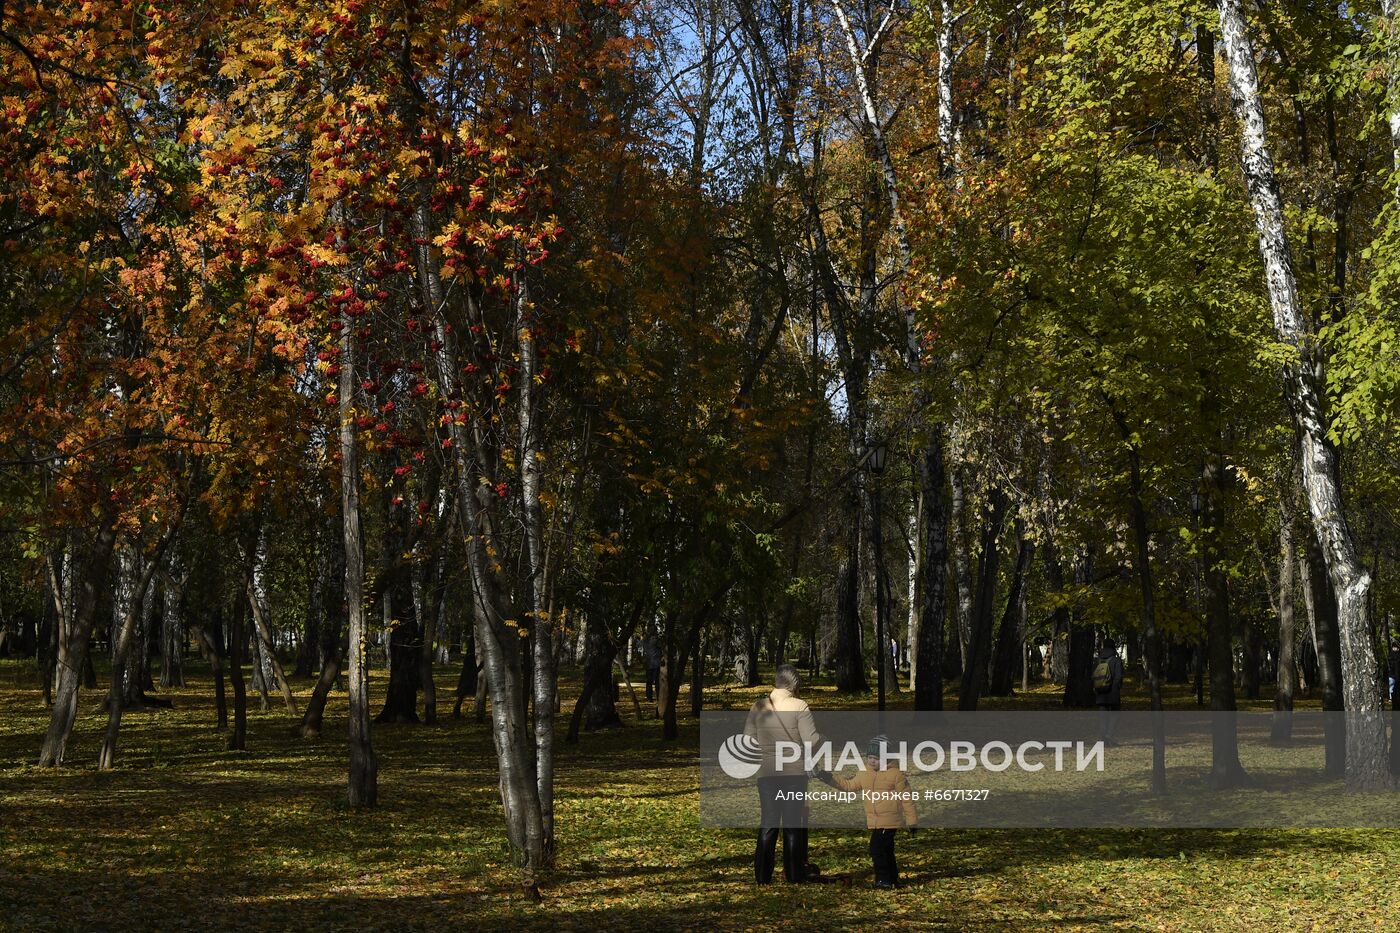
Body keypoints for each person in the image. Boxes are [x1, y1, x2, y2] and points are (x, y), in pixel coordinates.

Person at [744, 663, 822, 884]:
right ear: (796, 684)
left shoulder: (758, 706)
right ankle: (794, 875)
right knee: (792, 825)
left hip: (767, 774)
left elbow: (748, 740)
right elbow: (812, 741)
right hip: (794, 775)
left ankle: (762, 876)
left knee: (768, 824)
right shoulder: (800, 706)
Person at [816, 735, 918, 889]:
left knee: (876, 848)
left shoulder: (895, 774)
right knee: (886, 850)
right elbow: (849, 786)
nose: (872, 761)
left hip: (890, 819)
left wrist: (912, 821)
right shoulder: (864, 772)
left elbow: (907, 798)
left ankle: (883, 880)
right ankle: (893, 879)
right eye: (870, 757)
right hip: (875, 820)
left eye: (876, 758)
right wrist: (827, 777)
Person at [1093, 638, 1124, 745]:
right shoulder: (1116, 660)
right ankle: (1109, 735)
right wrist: (1116, 688)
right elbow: (1118, 676)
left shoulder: (1097, 660)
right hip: (1113, 691)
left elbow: (1093, 676)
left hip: (1100, 691)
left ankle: (1103, 737)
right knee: (1115, 714)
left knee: (1103, 716)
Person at [642, 631, 661, 703]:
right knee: (649, 682)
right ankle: (649, 697)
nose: (654, 640)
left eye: (655, 638)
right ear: (650, 639)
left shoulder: (659, 647)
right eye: (653, 638)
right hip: (649, 667)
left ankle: (658, 697)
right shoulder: (646, 646)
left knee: (657, 683)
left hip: (657, 666)